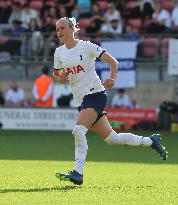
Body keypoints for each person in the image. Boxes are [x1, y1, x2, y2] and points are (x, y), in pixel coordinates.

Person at [53, 17, 168, 186]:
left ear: (72, 29)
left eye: (62, 28)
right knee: (113, 138)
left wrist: (112, 79)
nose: (59, 32)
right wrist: (60, 76)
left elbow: (113, 62)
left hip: (95, 94)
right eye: (57, 30)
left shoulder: (87, 47)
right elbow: (57, 75)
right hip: (80, 100)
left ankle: (77, 173)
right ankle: (151, 141)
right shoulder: (59, 52)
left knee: (78, 130)